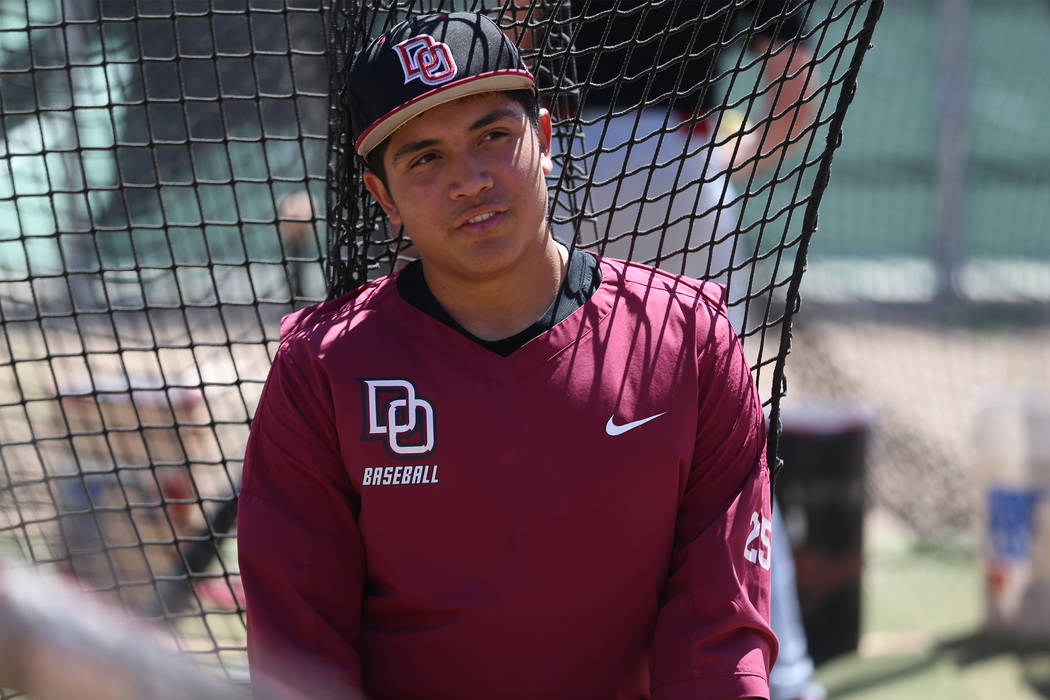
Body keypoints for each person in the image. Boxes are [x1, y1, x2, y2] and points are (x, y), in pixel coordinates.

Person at [238, 11, 774, 700]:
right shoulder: (320, 370)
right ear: (383, 197)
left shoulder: (691, 341)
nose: (469, 179)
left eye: (492, 135)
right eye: (424, 157)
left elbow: (718, 642)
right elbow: (299, 656)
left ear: (546, 139)